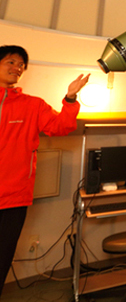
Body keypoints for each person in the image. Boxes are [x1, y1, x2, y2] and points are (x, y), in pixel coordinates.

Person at [0, 45, 90, 297]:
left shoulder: (32, 105)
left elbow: (61, 126)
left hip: (13, 197)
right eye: (11, 62)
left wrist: (70, 98)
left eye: (21, 66)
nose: (17, 68)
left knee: (1, 259)